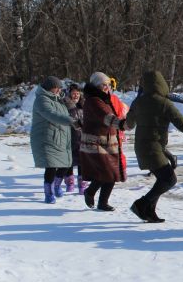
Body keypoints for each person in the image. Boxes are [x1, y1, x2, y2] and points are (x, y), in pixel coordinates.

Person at [126, 71, 183, 222]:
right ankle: (142, 204)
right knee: (169, 179)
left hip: (143, 147)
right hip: (153, 147)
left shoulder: (138, 102)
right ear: (162, 84)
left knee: (162, 178)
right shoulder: (164, 103)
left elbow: (129, 124)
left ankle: (149, 212)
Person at [80, 72, 128, 211]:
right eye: (103, 85)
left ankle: (102, 202)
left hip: (107, 141)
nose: (106, 87)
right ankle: (90, 192)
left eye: (108, 84)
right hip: (96, 142)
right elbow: (107, 117)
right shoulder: (94, 100)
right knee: (107, 171)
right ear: (96, 85)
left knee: (110, 172)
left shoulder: (104, 98)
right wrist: (122, 124)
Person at [29, 76, 76, 203]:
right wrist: (70, 121)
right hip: (46, 138)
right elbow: (52, 115)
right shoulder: (41, 100)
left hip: (60, 137)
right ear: (50, 88)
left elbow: (69, 110)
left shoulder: (58, 99)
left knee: (66, 163)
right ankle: (48, 192)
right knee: (51, 166)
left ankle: (56, 185)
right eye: (57, 88)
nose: (59, 90)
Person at [63, 84, 87, 194]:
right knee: (69, 161)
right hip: (69, 137)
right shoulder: (65, 105)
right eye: (73, 93)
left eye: (78, 93)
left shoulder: (84, 105)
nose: (76, 95)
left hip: (82, 137)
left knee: (83, 161)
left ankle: (82, 184)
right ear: (69, 94)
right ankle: (69, 182)